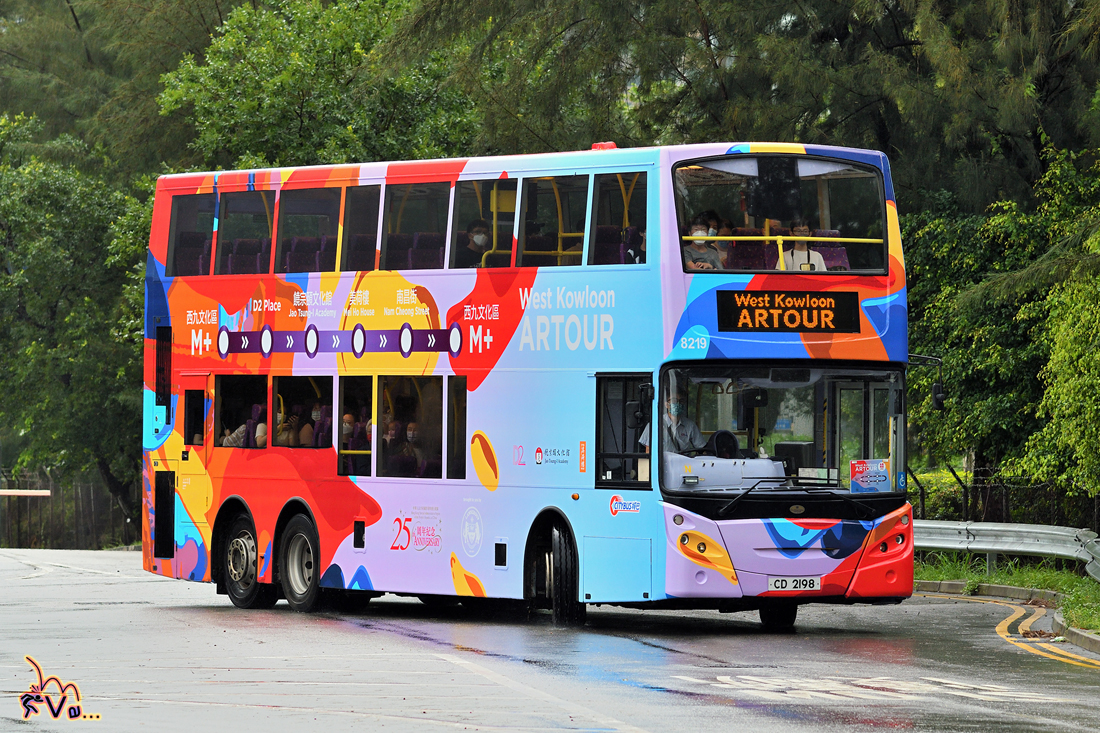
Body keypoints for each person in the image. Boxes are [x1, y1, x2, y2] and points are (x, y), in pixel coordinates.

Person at [638, 388, 706, 455]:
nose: (678, 404)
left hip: (684, 464)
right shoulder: (655, 424)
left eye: (681, 401)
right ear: (666, 404)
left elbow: (702, 449)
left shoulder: (690, 425)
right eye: (674, 401)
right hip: (663, 465)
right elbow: (649, 452)